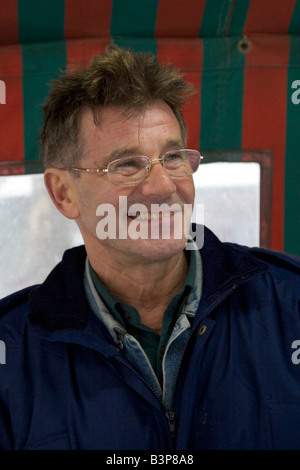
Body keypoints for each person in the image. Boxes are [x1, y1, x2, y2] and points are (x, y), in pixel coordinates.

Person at [0, 46, 300, 451]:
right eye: (127, 164)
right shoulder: (12, 351)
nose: (162, 187)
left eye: (173, 157)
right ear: (63, 192)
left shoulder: (291, 305)